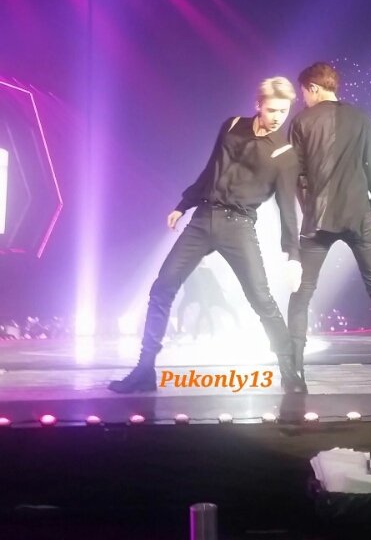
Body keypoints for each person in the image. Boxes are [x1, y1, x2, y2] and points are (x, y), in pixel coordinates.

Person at [109, 76, 306, 394]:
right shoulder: (232, 126)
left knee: (261, 298)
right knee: (162, 288)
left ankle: (290, 371)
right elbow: (209, 170)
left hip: (238, 226)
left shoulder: (284, 154)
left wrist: (293, 255)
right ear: (258, 105)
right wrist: (184, 204)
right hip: (203, 219)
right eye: (272, 110)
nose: (277, 117)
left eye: (283, 111)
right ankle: (144, 370)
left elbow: (287, 208)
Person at [288, 62, 371, 389]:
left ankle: (296, 375)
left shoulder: (301, 122)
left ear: (314, 88)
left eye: (304, 92)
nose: (303, 99)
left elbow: (295, 176)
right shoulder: (361, 118)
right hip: (359, 215)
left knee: (302, 292)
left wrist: (309, 209)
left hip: (318, 219)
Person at [176, 260, 241, 339]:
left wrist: (218, 291)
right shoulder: (196, 272)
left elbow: (211, 284)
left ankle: (205, 332)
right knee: (203, 314)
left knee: (205, 314)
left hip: (212, 297)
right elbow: (192, 285)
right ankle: (198, 333)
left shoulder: (204, 271)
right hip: (208, 297)